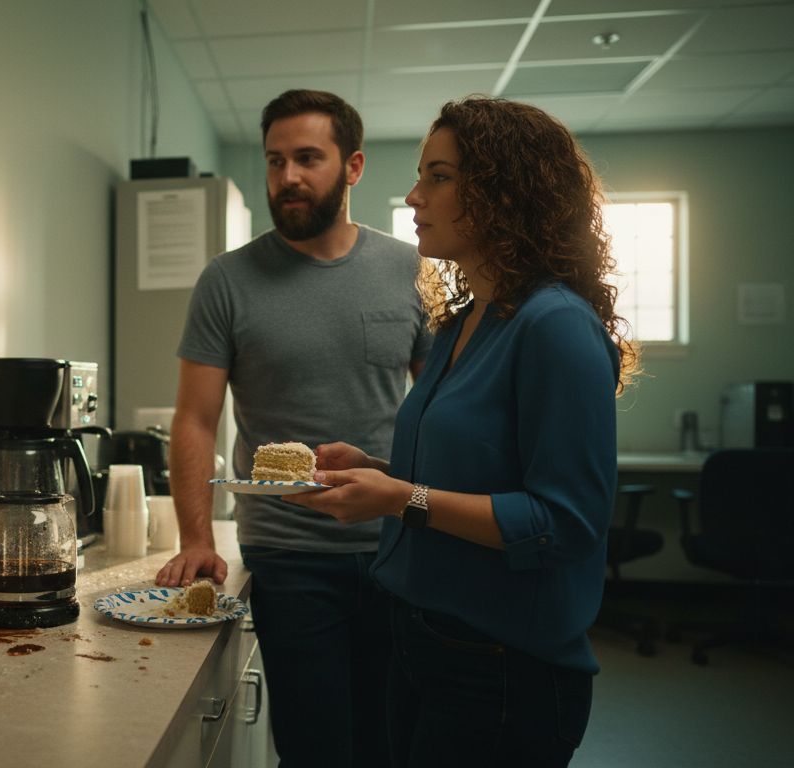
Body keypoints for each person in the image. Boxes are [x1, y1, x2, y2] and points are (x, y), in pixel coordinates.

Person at [286, 96, 638, 767]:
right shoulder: (465, 323)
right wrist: (379, 472)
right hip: (419, 640)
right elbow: (461, 477)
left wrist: (398, 500)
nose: (415, 196)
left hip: (503, 666)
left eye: (439, 177)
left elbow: (563, 522)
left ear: (508, 192)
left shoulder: (554, 325)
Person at [153, 89, 432, 767]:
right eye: (276, 161)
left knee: (395, 743)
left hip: (400, 546)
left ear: (354, 166)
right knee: (315, 748)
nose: (288, 177)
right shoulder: (228, 281)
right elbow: (195, 417)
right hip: (290, 556)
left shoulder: (411, 271)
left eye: (308, 158)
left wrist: (437, 508)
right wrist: (195, 537)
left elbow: (438, 409)